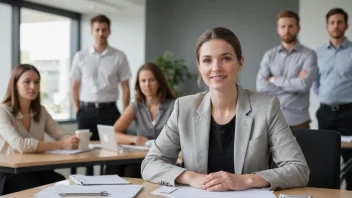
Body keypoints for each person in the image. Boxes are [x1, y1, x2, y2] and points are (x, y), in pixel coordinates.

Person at [141, 27, 309, 191]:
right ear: (199, 66)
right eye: (207, 60)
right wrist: (191, 177)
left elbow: (298, 169)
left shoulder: (266, 107)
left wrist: (247, 180)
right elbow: (150, 163)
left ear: (240, 63)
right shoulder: (183, 108)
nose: (216, 68)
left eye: (226, 58)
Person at [0, 64, 79, 195]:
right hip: (10, 172)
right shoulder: (3, 111)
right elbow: (20, 145)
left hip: (35, 168)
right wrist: (60, 145)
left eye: (36, 82)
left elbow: (59, 133)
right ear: (14, 85)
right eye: (27, 82)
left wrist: (70, 140)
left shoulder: (40, 111)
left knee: (60, 182)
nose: (33, 87)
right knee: (31, 186)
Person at [70, 15, 131, 175]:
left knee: (111, 151)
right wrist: (77, 110)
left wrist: (126, 113)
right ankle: (84, 185)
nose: (100, 33)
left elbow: (126, 87)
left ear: (109, 31)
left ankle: (109, 184)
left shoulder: (119, 56)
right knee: (83, 152)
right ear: (91, 31)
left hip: (110, 111)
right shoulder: (80, 56)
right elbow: (75, 86)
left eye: (104, 29)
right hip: (86, 111)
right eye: (97, 29)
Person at [107, 63, 176, 177]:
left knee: (131, 171)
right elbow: (113, 133)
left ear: (159, 82)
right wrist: (134, 139)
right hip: (141, 156)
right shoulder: (136, 106)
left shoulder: (174, 105)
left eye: (151, 80)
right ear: (138, 84)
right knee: (113, 167)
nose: (147, 85)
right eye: (143, 81)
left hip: (164, 157)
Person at [256, 10, 317, 129]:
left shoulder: (309, 55)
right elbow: (261, 86)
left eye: (291, 26)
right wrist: (295, 84)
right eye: (283, 26)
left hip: (300, 122)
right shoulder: (269, 55)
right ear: (278, 29)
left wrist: (274, 80)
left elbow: (304, 85)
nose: (287, 30)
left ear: (298, 28)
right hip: (273, 121)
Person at [313, 8, 352, 190]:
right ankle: (327, 193)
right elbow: (315, 81)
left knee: (350, 159)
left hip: (348, 113)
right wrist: (323, 97)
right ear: (327, 26)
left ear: (346, 25)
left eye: (339, 22)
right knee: (325, 157)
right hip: (325, 113)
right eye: (332, 22)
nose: (336, 26)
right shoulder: (318, 52)